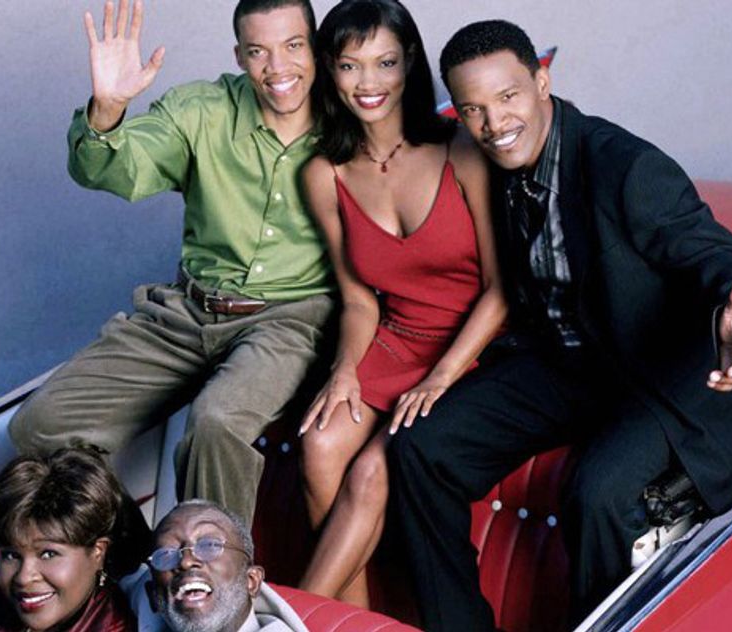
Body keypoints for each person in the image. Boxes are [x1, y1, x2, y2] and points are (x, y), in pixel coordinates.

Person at [387, 19, 732, 631]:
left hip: (656, 372)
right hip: (566, 363)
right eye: (474, 109)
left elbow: (715, 254)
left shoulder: (624, 165)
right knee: (420, 448)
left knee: (598, 493)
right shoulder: (486, 162)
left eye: (508, 96)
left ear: (542, 82)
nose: (494, 123)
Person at [8, 0, 334, 527]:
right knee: (41, 425)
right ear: (239, 56)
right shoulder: (200, 109)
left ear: (315, 47)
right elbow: (114, 169)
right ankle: (139, 557)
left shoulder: (347, 119)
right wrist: (108, 111)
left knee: (216, 422)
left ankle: (218, 573)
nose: (278, 68)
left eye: (293, 46)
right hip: (188, 311)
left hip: (289, 319)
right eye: (258, 51)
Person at [296, 0, 505, 609]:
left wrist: (441, 378)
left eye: (385, 63)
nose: (369, 83)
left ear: (409, 63)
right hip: (396, 340)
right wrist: (343, 371)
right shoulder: (325, 173)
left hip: (474, 348)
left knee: (371, 470)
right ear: (329, 71)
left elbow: (503, 289)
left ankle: (291, 619)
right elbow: (358, 297)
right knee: (320, 444)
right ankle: (352, 621)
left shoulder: (461, 150)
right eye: (350, 65)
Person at [0, 447, 137, 631]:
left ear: (98, 551)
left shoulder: (113, 626)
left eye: (48, 554)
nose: (24, 577)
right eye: (11, 555)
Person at [124, 499, 308, 632]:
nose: (186, 561)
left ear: (251, 581)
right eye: (166, 553)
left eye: (209, 545)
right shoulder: (146, 601)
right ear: (154, 597)